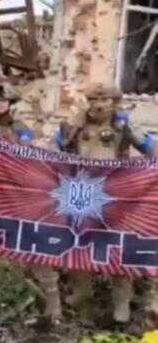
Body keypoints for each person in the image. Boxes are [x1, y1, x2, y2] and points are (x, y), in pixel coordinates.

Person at [0, 83, 62, 320]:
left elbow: (31, 152)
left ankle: (53, 306)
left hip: (14, 196)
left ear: (10, 104)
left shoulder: (21, 129)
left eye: (3, 101)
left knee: (33, 244)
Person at [56, 83, 155, 323]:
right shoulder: (76, 124)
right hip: (82, 192)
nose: (98, 106)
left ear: (114, 103)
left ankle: (121, 302)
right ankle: (82, 291)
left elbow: (151, 148)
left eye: (104, 101)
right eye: (93, 101)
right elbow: (53, 148)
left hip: (115, 195)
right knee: (78, 244)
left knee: (118, 247)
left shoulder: (123, 125)